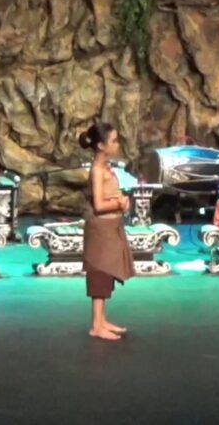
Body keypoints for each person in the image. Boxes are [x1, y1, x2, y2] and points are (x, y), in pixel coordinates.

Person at [79, 123, 134, 341]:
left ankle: (102, 320)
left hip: (111, 227)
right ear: (101, 145)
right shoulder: (97, 170)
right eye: (113, 141)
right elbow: (100, 204)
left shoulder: (107, 168)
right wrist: (119, 203)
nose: (117, 144)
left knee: (107, 271)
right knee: (100, 272)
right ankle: (96, 325)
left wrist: (122, 202)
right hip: (100, 229)